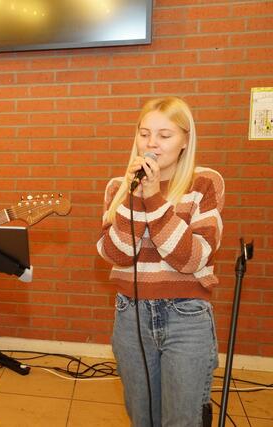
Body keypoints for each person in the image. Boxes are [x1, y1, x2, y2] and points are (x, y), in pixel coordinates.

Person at [96, 97, 224, 427]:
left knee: (181, 420)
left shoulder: (204, 183)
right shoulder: (118, 187)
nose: (152, 143)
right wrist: (133, 196)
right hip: (131, 316)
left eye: (165, 135)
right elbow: (116, 254)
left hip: (186, 316)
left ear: (185, 141)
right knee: (142, 418)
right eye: (144, 134)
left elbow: (192, 259)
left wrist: (153, 198)